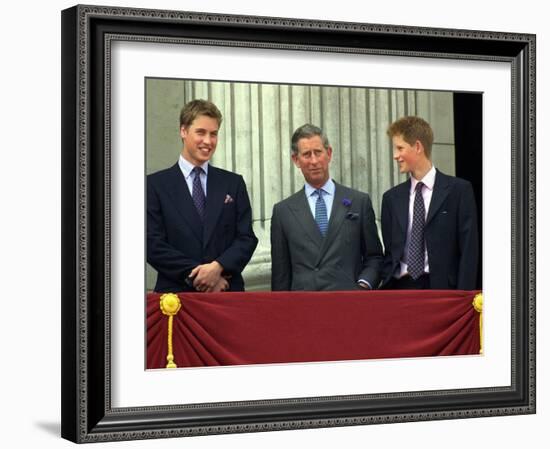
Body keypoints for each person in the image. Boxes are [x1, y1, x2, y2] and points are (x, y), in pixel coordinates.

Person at [147, 99, 258, 293]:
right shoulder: (154, 185)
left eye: (213, 134)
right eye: (201, 132)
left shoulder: (233, 183)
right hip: (177, 298)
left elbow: (246, 238)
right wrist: (201, 277)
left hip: (227, 292)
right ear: (183, 131)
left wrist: (218, 268)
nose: (208, 141)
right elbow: (152, 244)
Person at [270, 124, 383, 291]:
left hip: (349, 304)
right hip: (305, 307)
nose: (314, 161)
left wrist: (363, 286)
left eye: (318, 152)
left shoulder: (359, 202)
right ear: (296, 160)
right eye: (307, 154)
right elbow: (281, 275)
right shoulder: (283, 212)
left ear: (328, 154)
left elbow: (375, 257)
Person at [381, 116, 479, 290]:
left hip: (444, 292)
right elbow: (389, 254)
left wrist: (464, 298)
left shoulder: (459, 191)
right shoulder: (390, 198)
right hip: (400, 291)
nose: (395, 156)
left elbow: (469, 251)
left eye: (400, 148)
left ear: (418, 147)